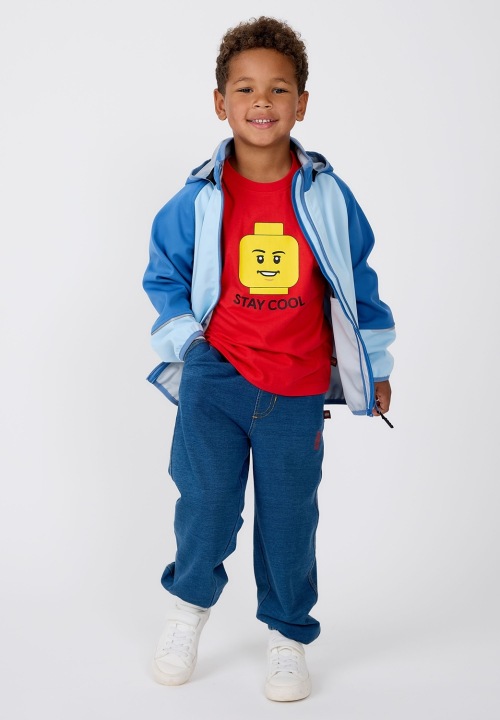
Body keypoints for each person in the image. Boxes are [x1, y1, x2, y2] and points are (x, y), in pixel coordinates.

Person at [143, 16, 395, 702]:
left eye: (279, 89)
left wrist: (374, 366)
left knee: (289, 519)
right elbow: (164, 275)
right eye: (245, 88)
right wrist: (189, 344)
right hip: (215, 380)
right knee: (206, 504)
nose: (262, 101)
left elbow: (358, 281)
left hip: (296, 387)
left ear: (301, 104)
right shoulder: (199, 198)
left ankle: (287, 636)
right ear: (219, 102)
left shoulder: (327, 195)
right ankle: (187, 610)